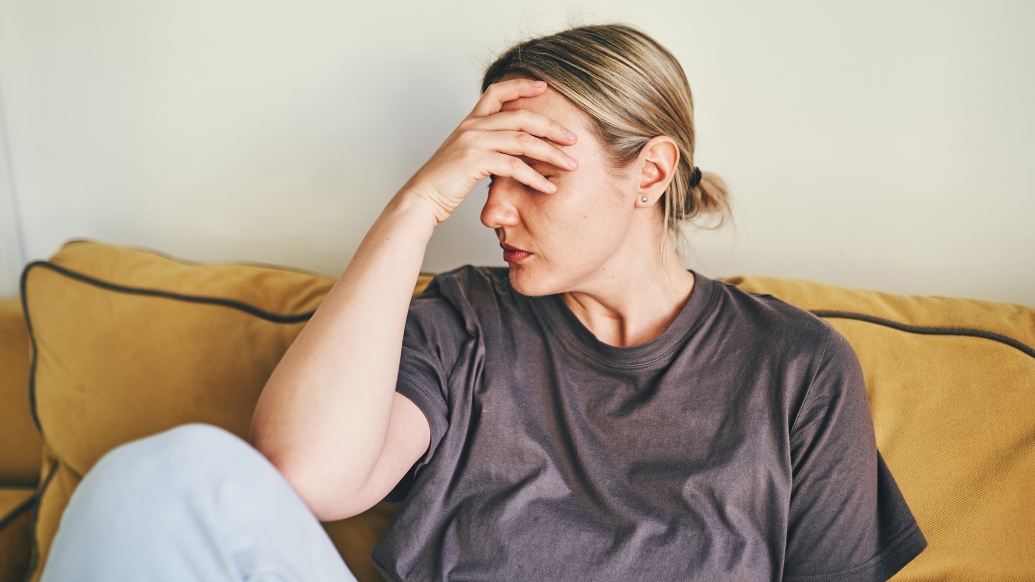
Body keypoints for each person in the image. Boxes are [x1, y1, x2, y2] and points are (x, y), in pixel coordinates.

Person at [41, 24, 926, 582]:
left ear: (649, 173)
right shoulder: (465, 320)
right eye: (485, 177)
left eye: (534, 173)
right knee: (166, 473)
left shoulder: (796, 366)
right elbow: (310, 475)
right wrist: (418, 203)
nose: (494, 211)